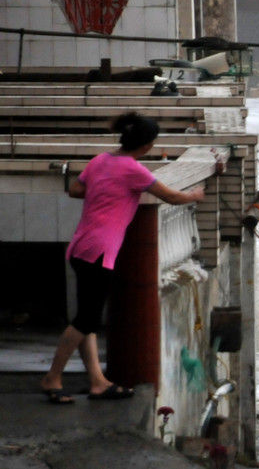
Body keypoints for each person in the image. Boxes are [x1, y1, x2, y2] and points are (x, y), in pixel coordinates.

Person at [40, 112, 205, 404]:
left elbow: (77, 189)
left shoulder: (101, 160)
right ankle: (52, 377)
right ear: (146, 146)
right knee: (84, 321)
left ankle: (97, 382)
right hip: (101, 251)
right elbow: (171, 197)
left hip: (80, 246)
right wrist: (195, 195)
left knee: (86, 319)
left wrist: (106, 192)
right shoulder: (134, 170)